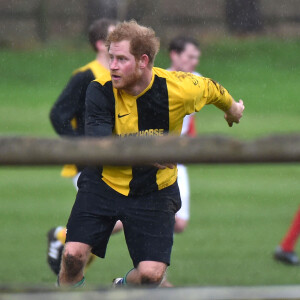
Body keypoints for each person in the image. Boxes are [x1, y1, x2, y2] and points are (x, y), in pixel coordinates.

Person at [58, 20, 245, 288]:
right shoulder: (99, 90)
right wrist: (146, 155)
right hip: (103, 183)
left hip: (155, 190)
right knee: (73, 256)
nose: (112, 66)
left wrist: (233, 110)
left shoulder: (179, 87)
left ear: (143, 61)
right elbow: (99, 146)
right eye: (111, 57)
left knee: (151, 276)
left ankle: (121, 286)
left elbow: (213, 89)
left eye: (121, 59)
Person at [47, 18, 122, 276]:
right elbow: (58, 115)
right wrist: (82, 149)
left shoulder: (122, 75)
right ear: (101, 44)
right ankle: (63, 244)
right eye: (115, 36)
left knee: (110, 221)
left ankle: (66, 255)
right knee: (116, 218)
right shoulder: (85, 76)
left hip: (115, 162)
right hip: (91, 164)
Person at [168, 36, 201, 233]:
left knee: (179, 223)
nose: (194, 61)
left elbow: (189, 119)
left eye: (196, 57)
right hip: (154, 155)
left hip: (178, 157)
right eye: (189, 56)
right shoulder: (158, 79)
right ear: (174, 55)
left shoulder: (197, 80)